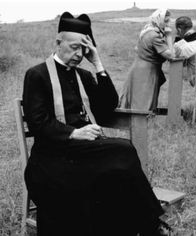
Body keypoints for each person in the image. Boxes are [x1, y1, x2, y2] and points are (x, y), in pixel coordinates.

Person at [22, 12, 172, 236]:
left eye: (83, 49)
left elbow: (107, 107)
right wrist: (74, 133)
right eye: (73, 47)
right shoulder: (37, 74)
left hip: (87, 153)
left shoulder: (83, 75)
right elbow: (37, 123)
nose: (78, 54)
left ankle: (145, 225)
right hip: (51, 157)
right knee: (123, 150)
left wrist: (98, 63)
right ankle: (150, 224)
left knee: (121, 163)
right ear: (58, 42)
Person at [119, 9, 174, 111]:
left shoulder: (147, 31)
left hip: (140, 67)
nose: (168, 23)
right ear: (159, 21)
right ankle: (141, 124)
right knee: (143, 102)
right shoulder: (154, 36)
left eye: (168, 21)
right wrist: (169, 36)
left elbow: (137, 48)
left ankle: (140, 123)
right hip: (146, 72)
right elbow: (171, 55)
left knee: (140, 99)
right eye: (166, 21)